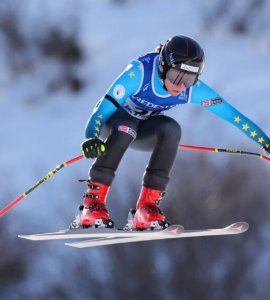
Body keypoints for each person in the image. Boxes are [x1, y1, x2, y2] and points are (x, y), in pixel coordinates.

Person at [70, 35, 270, 231]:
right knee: (126, 128)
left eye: (189, 79)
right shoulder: (138, 73)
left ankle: (146, 209)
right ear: (163, 67)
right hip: (113, 125)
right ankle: (92, 205)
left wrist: (265, 143)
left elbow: (234, 116)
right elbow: (100, 111)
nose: (181, 86)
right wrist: (91, 137)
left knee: (172, 129)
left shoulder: (194, 90)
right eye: (176, 77)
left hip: (143, 131)